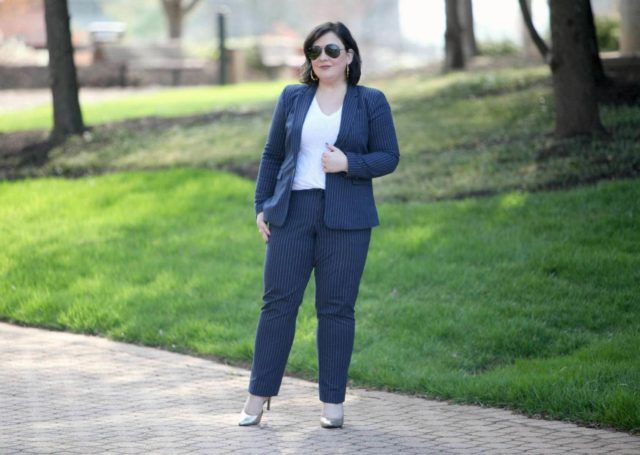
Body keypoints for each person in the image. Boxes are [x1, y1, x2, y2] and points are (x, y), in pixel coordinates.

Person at [238, 21, 399, 429]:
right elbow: (272, 155)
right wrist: (262, 205)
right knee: (277, 306)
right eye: (314, 52)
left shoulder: (371, 101)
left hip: (347, 220)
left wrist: (350, 163)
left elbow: (389, 156)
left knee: (336, 310)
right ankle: (257, 396)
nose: (322, 58)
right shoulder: (293, 98)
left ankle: (332, 403)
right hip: (292, 214)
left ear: (349, 56)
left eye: (331, 50)